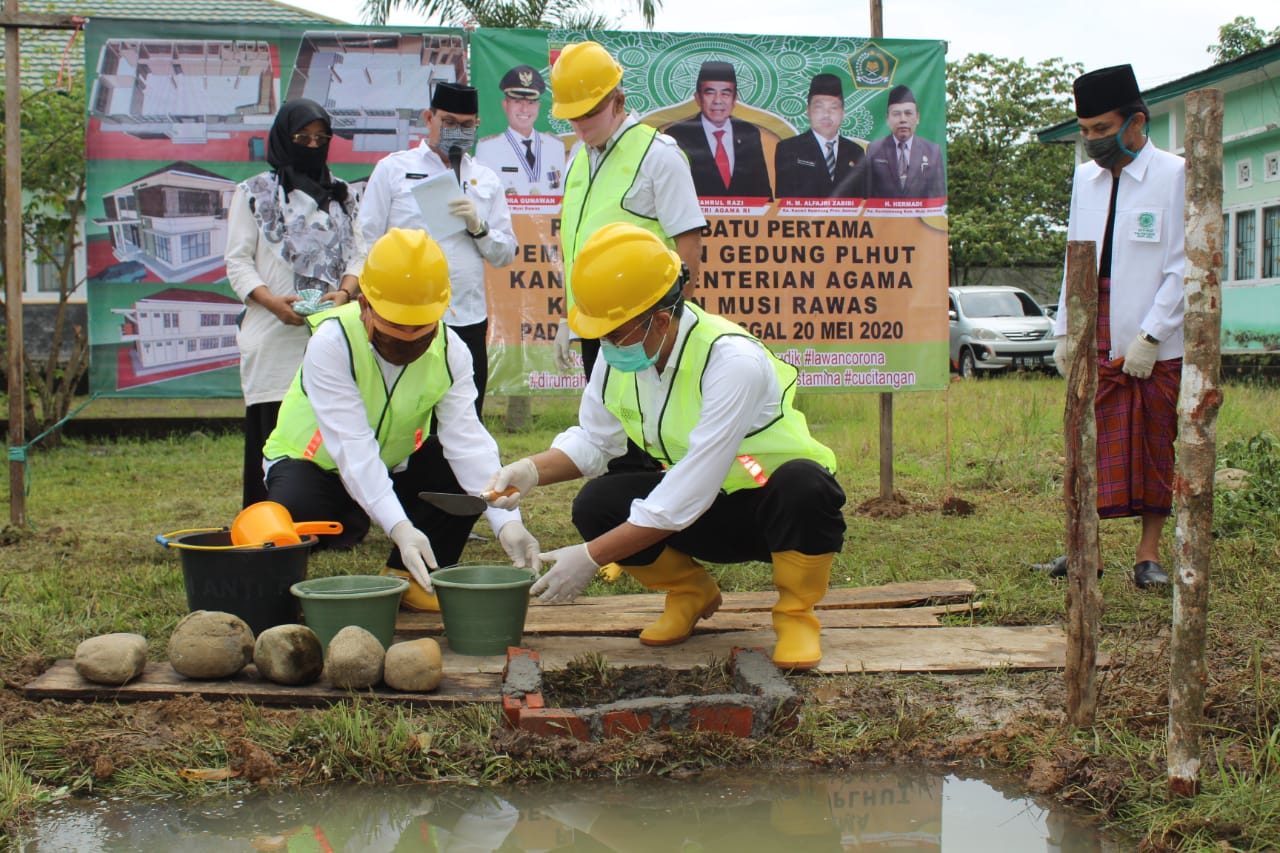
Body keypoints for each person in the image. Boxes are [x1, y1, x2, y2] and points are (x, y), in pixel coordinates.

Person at [485, 223, 846, 670]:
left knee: (805, 485)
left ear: (658, 319)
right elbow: (595, 441)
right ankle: (690, 592)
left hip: (767, 512)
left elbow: (690, 488)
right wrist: (528, 470)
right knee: (597, 504)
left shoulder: (731, 361)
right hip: (698, 510)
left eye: (613, 333)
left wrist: (592, 556)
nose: (605, 345)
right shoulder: (624, 354)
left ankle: (796, 615)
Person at [261, 228, 541, 610]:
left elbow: (469, 443)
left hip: (392, 467)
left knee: (455, 475)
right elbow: (353, 447)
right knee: (292, 515)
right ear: (365, 307)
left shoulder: (452, 352)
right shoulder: (332, 342)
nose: (407, 339)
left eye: (419, 329)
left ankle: (408, 576)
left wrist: (507, 521)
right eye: (395, 327)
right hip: (313, 466)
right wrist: (401, 527)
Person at [1040, 64, 1184, 591]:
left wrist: (1150, 336)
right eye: (1085, 130)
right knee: (1086, 437)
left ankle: (1148, 556)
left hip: (1154, 333)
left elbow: (1184, 266)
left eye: (1102, 128)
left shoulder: (1175, 174)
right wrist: (1064, 329)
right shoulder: (1086, 178)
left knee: (1155, 439)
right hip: (1093, 322)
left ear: (1135, 122)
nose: (1093, 139)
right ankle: (1086, 547)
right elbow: (1074, 256)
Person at [225, 98, 365, 508]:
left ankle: (334, 521)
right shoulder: (254, 193)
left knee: (330, 425)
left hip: (331, 331)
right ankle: (271, 517)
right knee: (274, 429)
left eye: (321, 138)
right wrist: (273, 303)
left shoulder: (344, 195)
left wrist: (344, 294)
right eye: (303, 138)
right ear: (284, 139)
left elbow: (361, 255)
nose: (313, 145)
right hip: (273, 334)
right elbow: (237, 261)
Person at [548, 40, 705, 380]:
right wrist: (566, 316)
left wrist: (673, 328)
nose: (581, 125)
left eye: (590, 113)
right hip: (596, 325)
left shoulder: (659, 155)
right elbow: (576, 248)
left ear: (618, 101)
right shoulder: (577, 160)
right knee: (604, 414)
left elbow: (689, 243)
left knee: (650, 415)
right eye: (573, 116)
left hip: (644, 328)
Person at [359, 81, 516, 418]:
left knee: (464, 413)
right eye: (448, 122)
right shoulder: (393, 169)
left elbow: (505, 253)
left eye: (466, 125)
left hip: (466, 316)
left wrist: (479, 228)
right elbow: (366, 241)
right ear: (428, 118)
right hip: (405, 316)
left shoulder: (486, 179)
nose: (457, 131)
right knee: (405, 414)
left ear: (477, 125)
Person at [665, 60, 773, 199]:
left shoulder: (749, 132)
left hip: (744, 213)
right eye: (710, 93)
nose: (717, 101)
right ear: (698, 98)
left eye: (725, 94)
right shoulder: (677, 134)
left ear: (735, 99)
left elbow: (763, 192)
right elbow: (671, 190)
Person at [474, 65, 567, 196]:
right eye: (517, 102)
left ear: (538, 106)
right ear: (505, 105)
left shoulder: (556, 146)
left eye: (531, 103)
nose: (524, 109)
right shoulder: (487, 148)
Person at [841, 85, 944, 199]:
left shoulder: (932, 151)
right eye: (896, 114)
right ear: (887, 119)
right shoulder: (874, 149)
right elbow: (867, 195)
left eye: (908, 113)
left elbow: (939, 197)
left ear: (917, 118)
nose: (903, 119)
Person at [773, 73, 865, 199]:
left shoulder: (856, 152)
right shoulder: (788, 149)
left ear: (843, 113)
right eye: (819, 107)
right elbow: (784, 202)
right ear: (808, 111)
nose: (826, 114)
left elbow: (862, 202)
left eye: (834, 107)